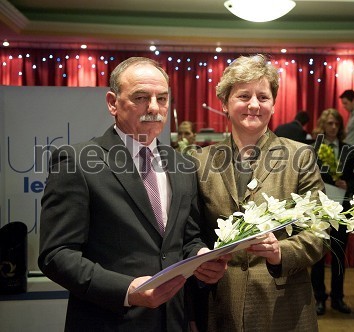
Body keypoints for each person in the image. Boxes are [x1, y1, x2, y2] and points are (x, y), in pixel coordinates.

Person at [38, 57, 228, 331]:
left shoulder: (182, 165)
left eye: (162, 98)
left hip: (174, 320)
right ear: (112, 103)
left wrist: (201, 258)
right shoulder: (77, 161)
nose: (154, 107)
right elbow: (56, 254)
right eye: (141, 97)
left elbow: (187, 238)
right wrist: (126, 290)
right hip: (109, 320)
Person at [191, 54, 327, 331]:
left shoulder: (299, 156)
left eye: (263, 97)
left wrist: (280, 252)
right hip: (220, 305)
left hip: (284, 307)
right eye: (243, 96)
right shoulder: (199, 161)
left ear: (273, 105)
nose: (254, 105)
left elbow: (318, 230)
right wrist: (201, 256)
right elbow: (190, 230)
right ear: (225, 104)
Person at [310, 108, 354, 315]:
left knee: (339, 257)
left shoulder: (349, 150)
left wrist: (347, 184)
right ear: (322, 125)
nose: (333, 127)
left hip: (342, 210)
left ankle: (338, 298)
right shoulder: (312, 149)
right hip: (319, 210)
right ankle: (319, 298)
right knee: (317, 257)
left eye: (336, 124)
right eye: (330, 123)